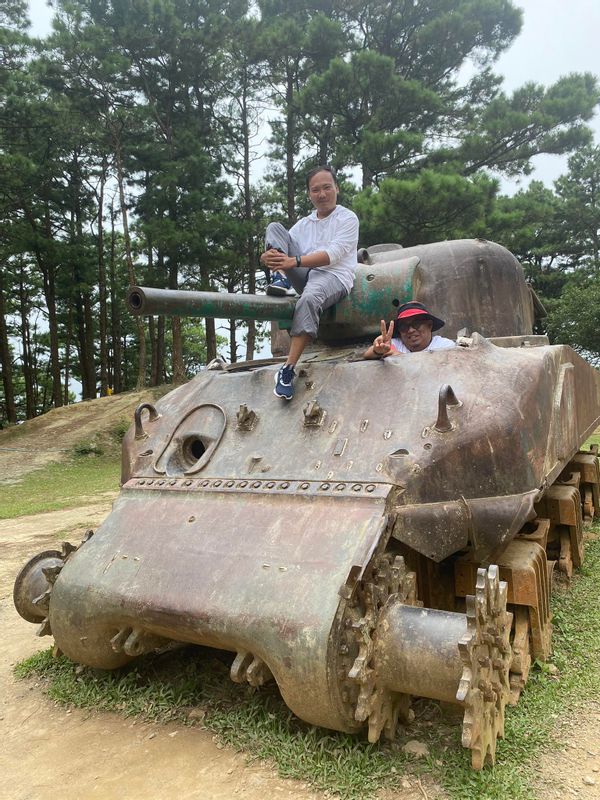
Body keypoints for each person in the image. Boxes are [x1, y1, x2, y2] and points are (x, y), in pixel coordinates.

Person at [261, 165, 359, 400]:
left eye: (327, 187)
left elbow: (333, 254)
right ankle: (279, 279)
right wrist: (267, 258)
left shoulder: (347, 218)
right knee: (274, 228)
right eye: (316, 190)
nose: (322, 194)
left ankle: (287, 369)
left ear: (337, 187)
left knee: (309, 298)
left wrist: (292, 261)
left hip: (334, 276)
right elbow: (284, 245)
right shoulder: (304, 224)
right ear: (309, 194)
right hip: (305, 274)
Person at [363, 301, 455, 358]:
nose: (410, 330)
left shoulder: (444, 346)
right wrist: (378, 350)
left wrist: (403, 358)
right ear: (399, 331)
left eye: (417, 324)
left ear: (429, 325)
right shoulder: (396, 344)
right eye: (404, 327)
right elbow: (367, 354)